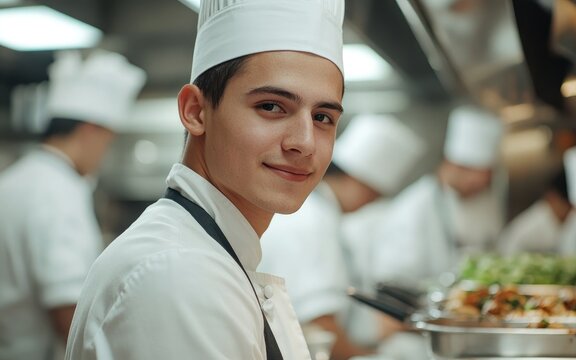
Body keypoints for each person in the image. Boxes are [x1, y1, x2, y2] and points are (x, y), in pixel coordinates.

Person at [65, 0, 346, 359]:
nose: (304, 143)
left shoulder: (212, 253)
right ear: (195, 111)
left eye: (323, 117)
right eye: (272, 106)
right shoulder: (178, 274)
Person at [0, 50, 145, 360]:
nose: (103, 155)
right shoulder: (59, 191)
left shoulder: (13, 180)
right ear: (90, 131)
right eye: (107, 141)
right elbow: (67, 309)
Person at [258, 114, 427, 360]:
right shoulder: (310, 222)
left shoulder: (319, 212)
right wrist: (365, 354)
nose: (370, 204)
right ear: (359, 182)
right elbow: (320, 324)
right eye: (373, 195)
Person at [365, 104, 506, 285]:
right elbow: (389, 283)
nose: (479, 187)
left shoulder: (484, 201)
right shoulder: (413, 209)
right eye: (476, 178)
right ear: (453, 164)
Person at [498, 169, 573, 255]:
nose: (570, 211)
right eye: (567, 206)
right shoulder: (529, 227)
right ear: (552, 197)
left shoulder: (571, 219)